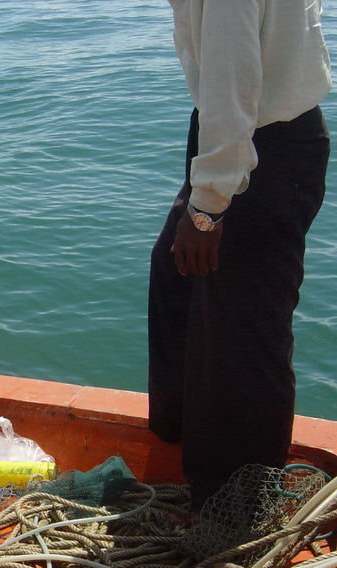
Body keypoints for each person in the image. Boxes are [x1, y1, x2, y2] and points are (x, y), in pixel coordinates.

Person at [147, 0, 331, 513]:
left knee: (246, 328)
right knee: (176, 274)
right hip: (234, 135)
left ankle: (238, 499)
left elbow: (234, 76)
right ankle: (183, 451)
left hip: (264, 143)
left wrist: (207, 208)